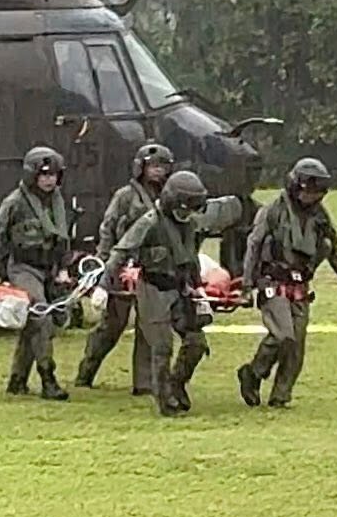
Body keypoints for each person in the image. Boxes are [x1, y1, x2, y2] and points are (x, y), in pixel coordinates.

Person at [102, 169, 243, 417]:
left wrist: (197, 287)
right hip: (153, 289)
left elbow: (189, 259)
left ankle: (176, 383)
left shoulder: (188, 224)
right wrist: (103, 287)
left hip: (180, 288)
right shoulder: (149, 222)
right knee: (162, 347)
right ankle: (165, 400)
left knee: (196, 342)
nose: (186, 212)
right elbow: (120, 252)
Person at [236, 157, 337, 409]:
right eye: (308, 191)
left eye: (317, 192)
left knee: (296, 348)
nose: (312, 197)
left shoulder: (319, 217)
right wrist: (247, 285)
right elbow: (254, 245)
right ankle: (254, 373)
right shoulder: (273, 211)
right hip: (272, 281)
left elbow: (333, 249)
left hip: (300, 285)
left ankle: (281, 396)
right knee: (284, 336)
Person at [74, 142, 174, 393]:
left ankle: (144, 383)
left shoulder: (171, 197)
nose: (157, 171)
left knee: (148, 325)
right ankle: (87, 369)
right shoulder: (125, 197)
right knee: (113, 325)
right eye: (152, 166)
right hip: (122, 265)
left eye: (162, 166)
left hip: (151, 268)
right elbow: (108, 230)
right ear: (141, 167)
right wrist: (104, 268)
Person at [0, 146, 74, 400]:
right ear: (32, 175)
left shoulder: (58, 201)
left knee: (35, 324)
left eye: (54, 175)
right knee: (40, 316)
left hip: (50, 268)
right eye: (44, 175)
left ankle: (17, 379)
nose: (49, 180)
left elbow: (62, 236)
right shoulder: (15, 202)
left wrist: (64, 268)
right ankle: (48, 378)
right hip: (23, 267)